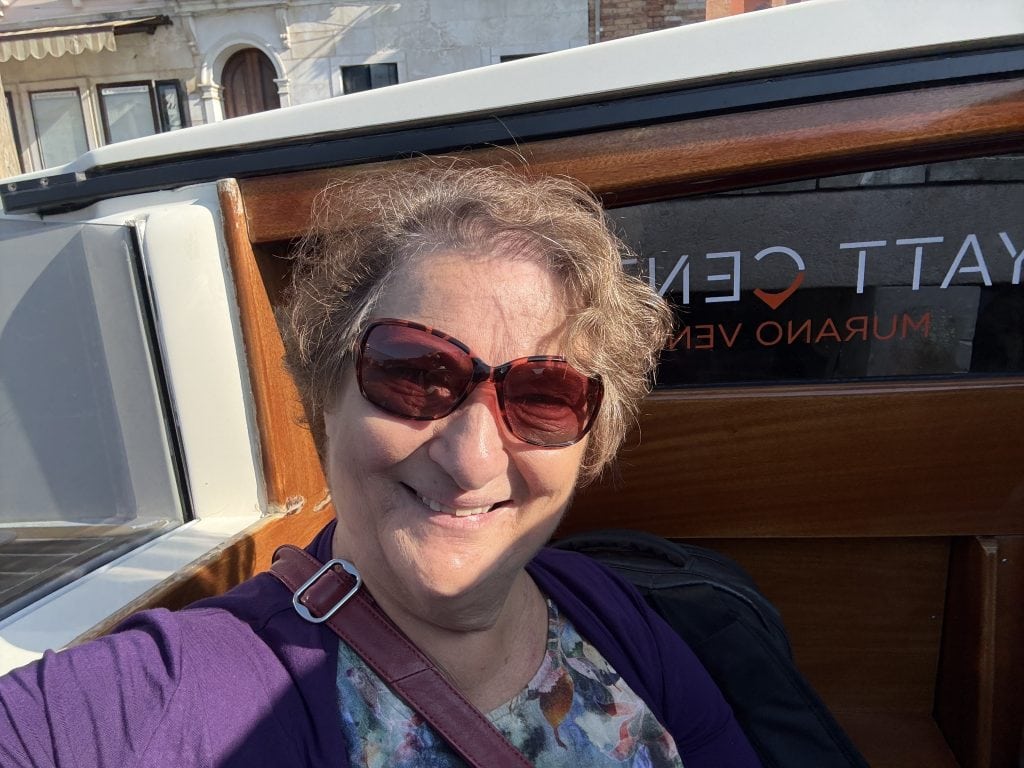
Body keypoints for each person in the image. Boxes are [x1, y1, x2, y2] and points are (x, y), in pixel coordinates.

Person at [0, 163, 762, 767]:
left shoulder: (607, 610)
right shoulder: (184, 689)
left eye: (542, 396)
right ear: (324, 396)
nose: (471, 458)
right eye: (415, 374)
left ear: (591, 441)